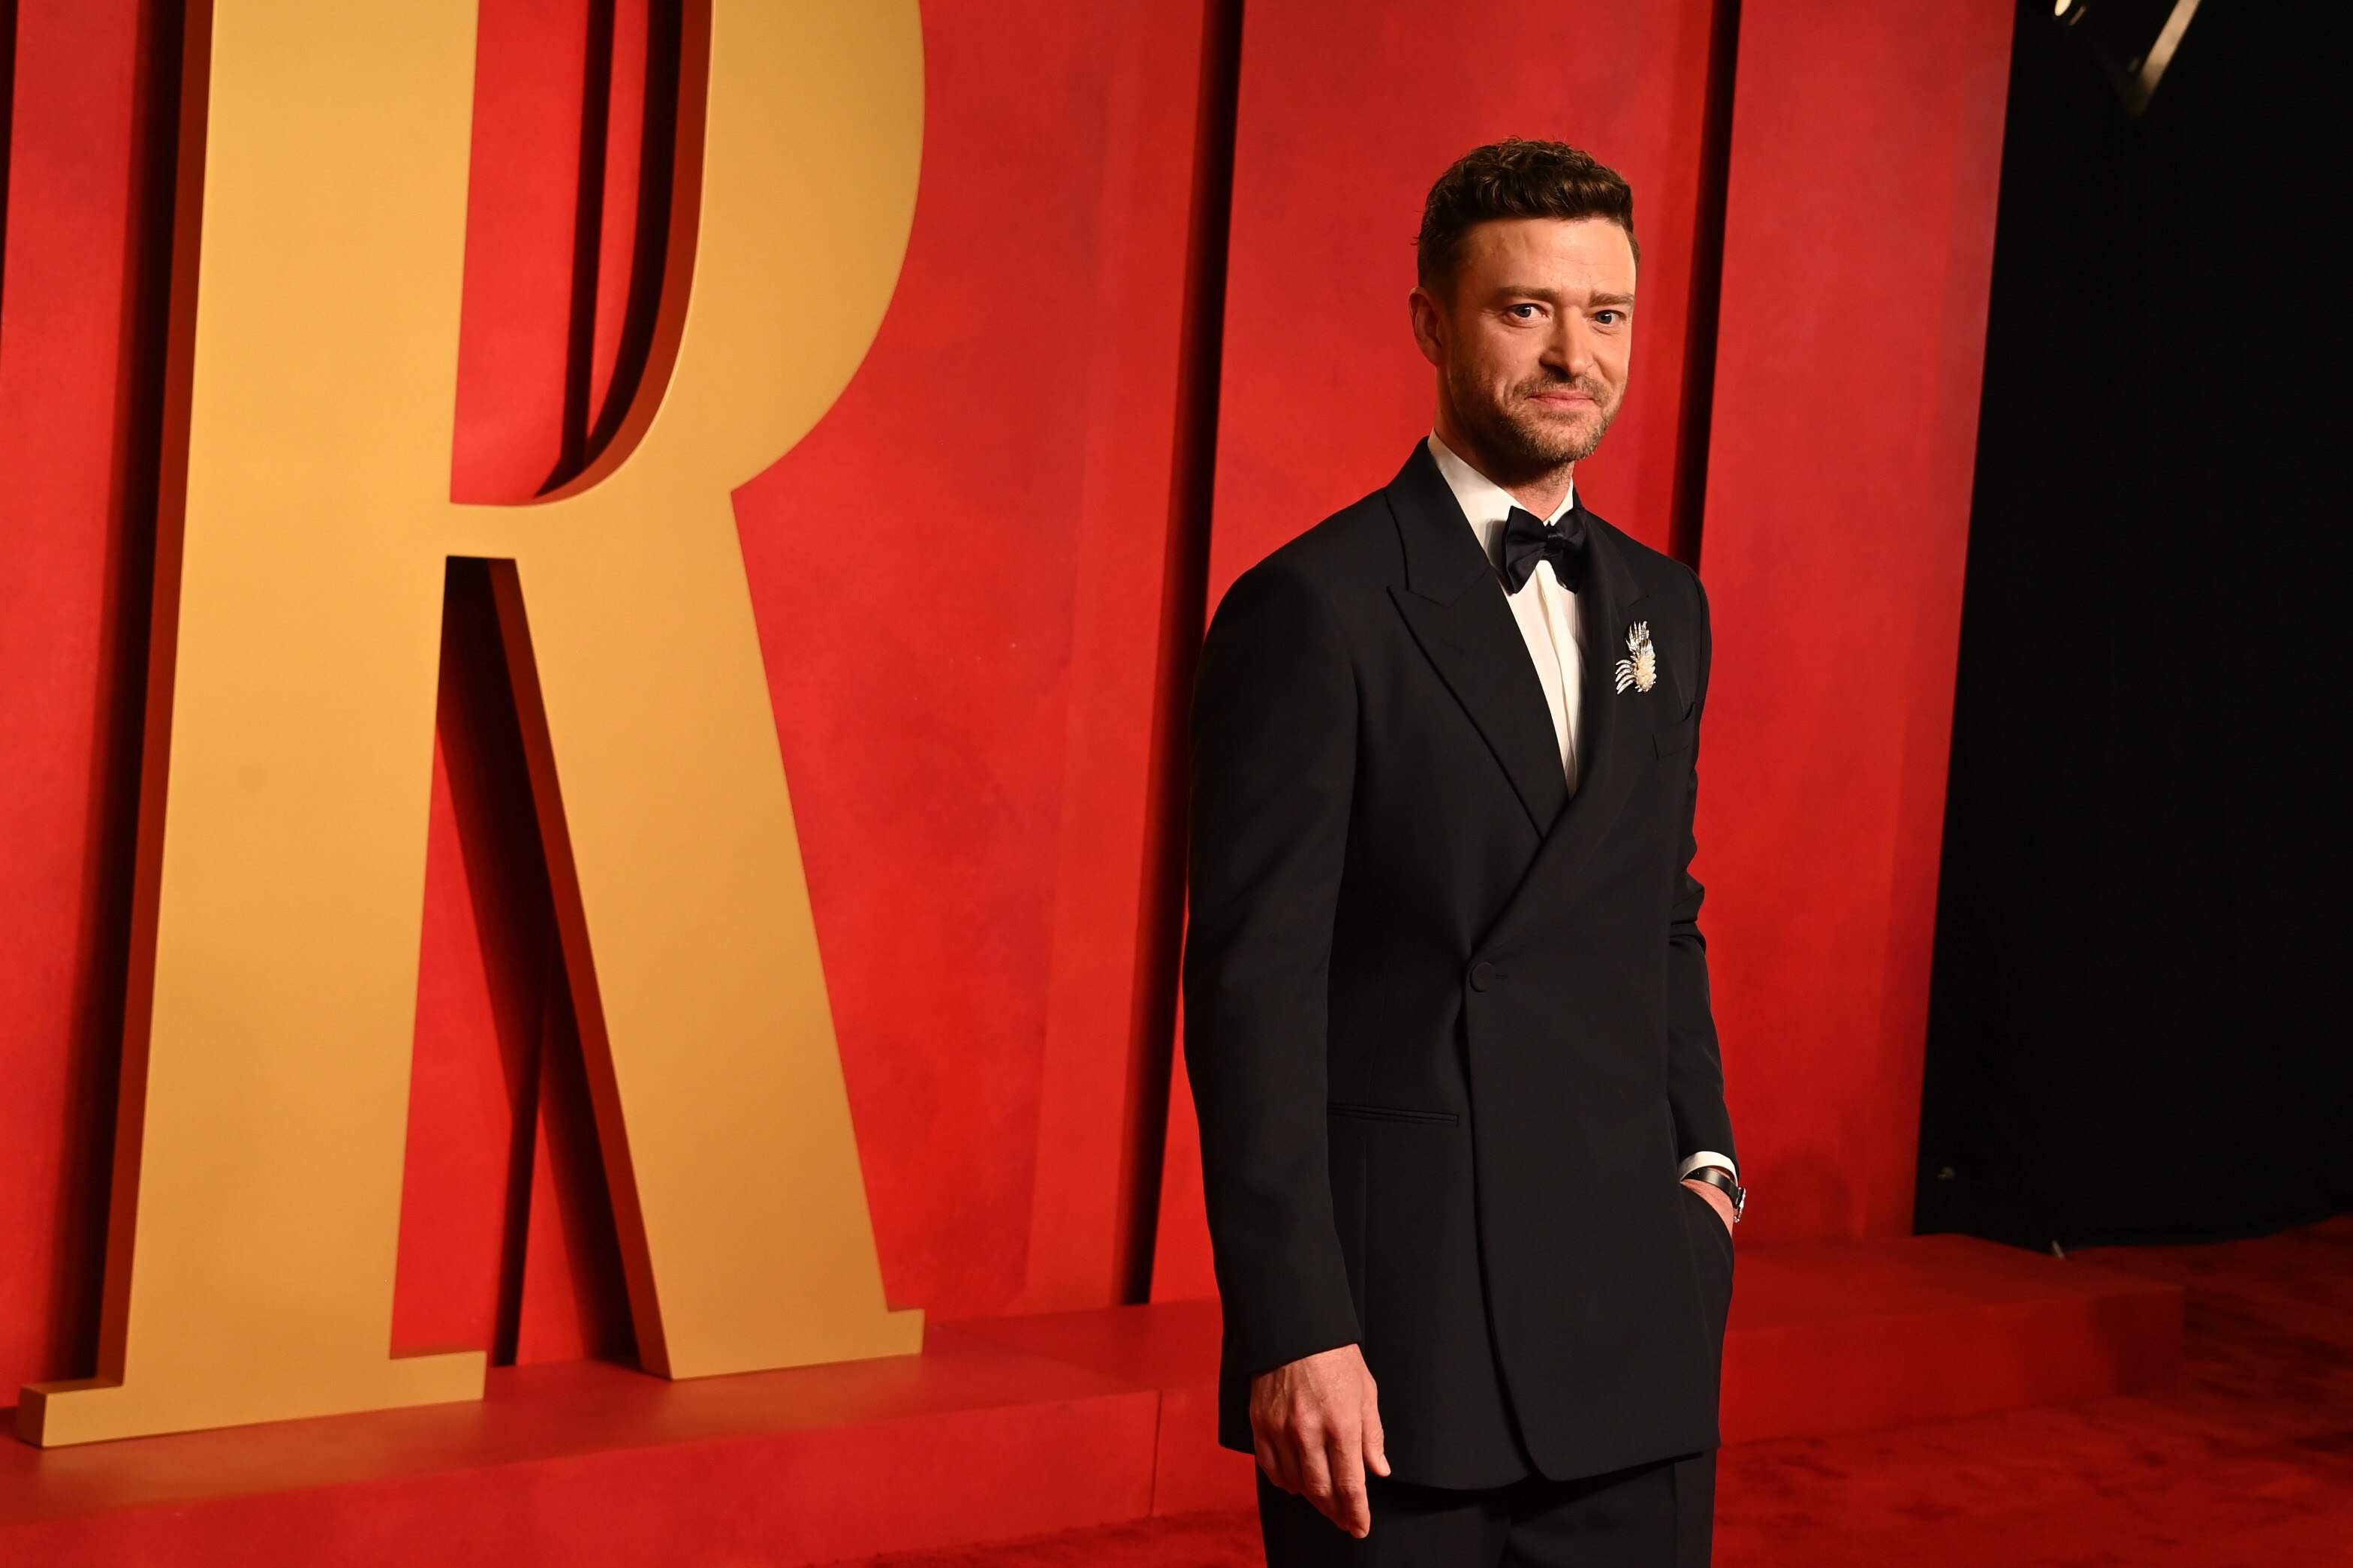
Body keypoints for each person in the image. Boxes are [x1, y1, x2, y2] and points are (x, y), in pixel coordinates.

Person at [1183, 138, 1742, 1566]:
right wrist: (1296, 1321)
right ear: (1431, 319)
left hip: (1634, 1310)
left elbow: (1657, 915)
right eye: (1525, 310)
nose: (1575, 354)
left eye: (1604, 313)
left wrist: (1710, 1171)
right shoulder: (1313, 608)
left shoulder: (1663, 608)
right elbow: (1253, 991)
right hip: (1403, 1340)